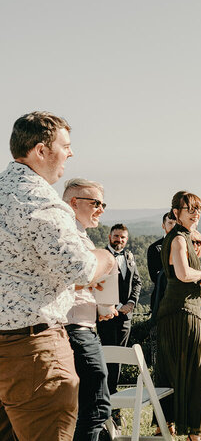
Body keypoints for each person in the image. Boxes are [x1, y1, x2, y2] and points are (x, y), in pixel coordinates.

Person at [0, 111, 114, 440]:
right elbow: (80, 269)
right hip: (34, 352)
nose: (71, 153)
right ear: (40, 151)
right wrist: (104, 257)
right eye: (65, 145)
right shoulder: (40, 200)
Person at [154, 191, 201, 440]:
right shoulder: (179, 239)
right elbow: (184, 274)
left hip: (182, 309)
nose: (195, 214)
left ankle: (175, 426)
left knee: (178, 368)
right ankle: (195, 432)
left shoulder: (182, 237)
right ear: (176, 213)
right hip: (182, 312)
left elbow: (184, 277)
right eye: (189, 210)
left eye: (198, 209)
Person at [63, 178, 117, 441]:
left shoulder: (81, 236)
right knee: (96, 407)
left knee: (88, 407)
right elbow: (68, 281)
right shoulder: (68, 235)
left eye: (103, 204)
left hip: (83, 325)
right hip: (76, 331)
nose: (101, 209)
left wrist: (101, 306)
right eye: (96, 203)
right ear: (74, 202)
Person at [97, 223, 142, 405]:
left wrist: (131, 303)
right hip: (107, 315)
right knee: (108, 356)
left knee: (120, 358)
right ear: (109, 237)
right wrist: (114, 305)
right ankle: (106, 397)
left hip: (125, 317)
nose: (119, 240)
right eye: (116, 236)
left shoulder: (129, 256)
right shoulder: (101, 256)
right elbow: (98, 283)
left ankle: (114, 398)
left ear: (126, 239)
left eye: (122, 237)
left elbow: (137, 281)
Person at [147, 212, 176, 363]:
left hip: (178, 300)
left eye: (175, 223)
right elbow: (155, 277)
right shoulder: (154, 248)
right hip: (161, 299)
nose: (173, 227)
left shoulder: (187, 245)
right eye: (170, 223)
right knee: (159, 346)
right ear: (163, 225)